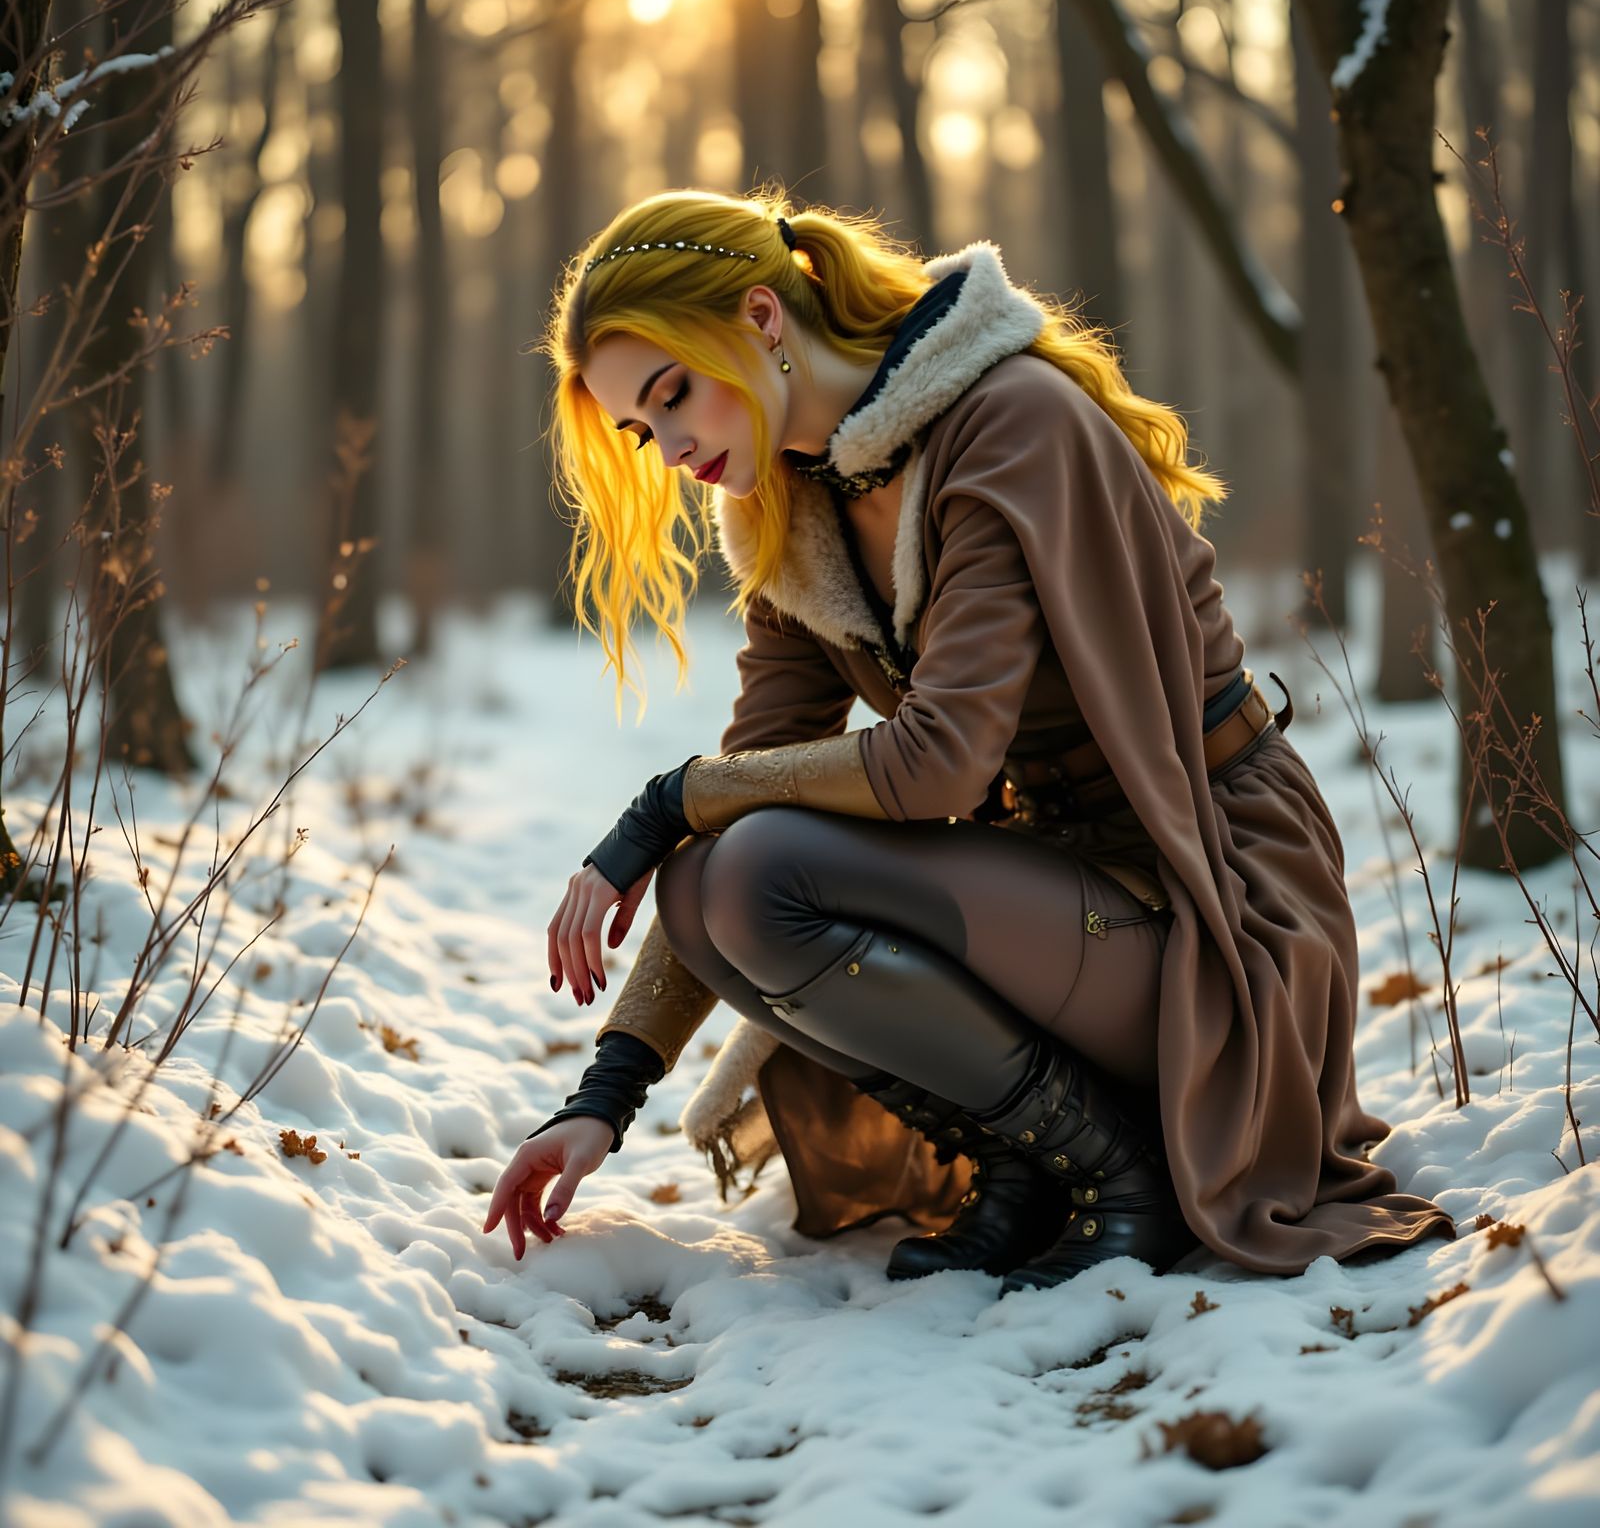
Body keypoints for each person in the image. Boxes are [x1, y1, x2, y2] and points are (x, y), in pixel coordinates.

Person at [482, 188, 1456, 1293]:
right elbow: (744, 784)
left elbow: (934, 762)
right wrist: (603, 1095)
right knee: (710, 882)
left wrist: (664, 803)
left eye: (672, 396)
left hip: (1212, 893)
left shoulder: (1007, 419)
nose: (668, 449)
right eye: (639, 429)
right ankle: (1040, 1159)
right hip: (1058, 898)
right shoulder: (790, 509)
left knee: (745, 859)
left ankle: (1127, 1177)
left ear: (761, 318)